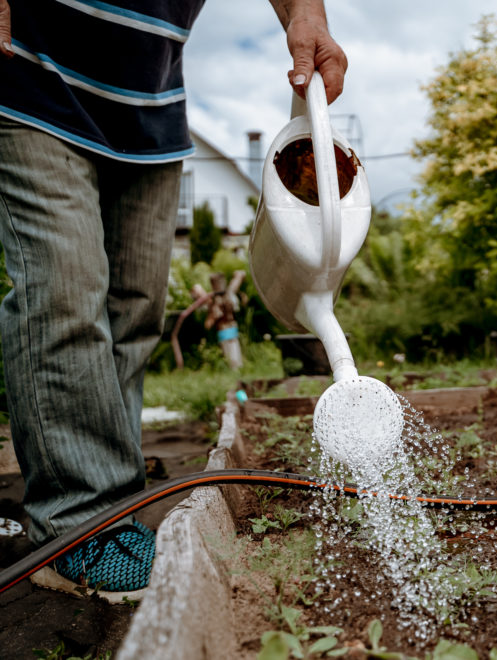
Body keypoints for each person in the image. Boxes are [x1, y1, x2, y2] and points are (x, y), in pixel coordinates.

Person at [0, 0, 346, 601]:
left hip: (151, 109)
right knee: (65, 292)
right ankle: (78, 527)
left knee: (135, 312)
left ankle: (111, 496)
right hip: (32, 80)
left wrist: (306, 16)